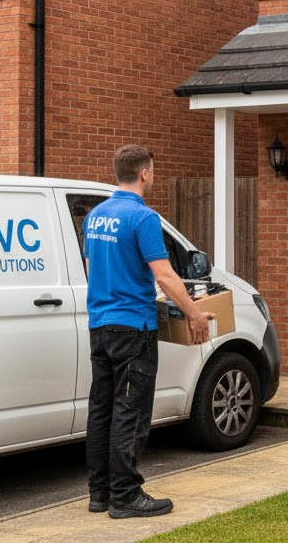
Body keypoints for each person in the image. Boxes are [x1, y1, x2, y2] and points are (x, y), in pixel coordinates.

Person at [84, 144, 210, 519]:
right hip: (132, 329)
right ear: (144, 174)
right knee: (130, 411)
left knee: (101, 409)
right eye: (153, 171)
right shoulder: (143, 218)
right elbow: (165, 276)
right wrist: (195, 314)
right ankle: (125, 496)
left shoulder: (95, 216)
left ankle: (100, 492)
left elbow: (95, 268)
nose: (152, 176)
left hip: (100, 325)